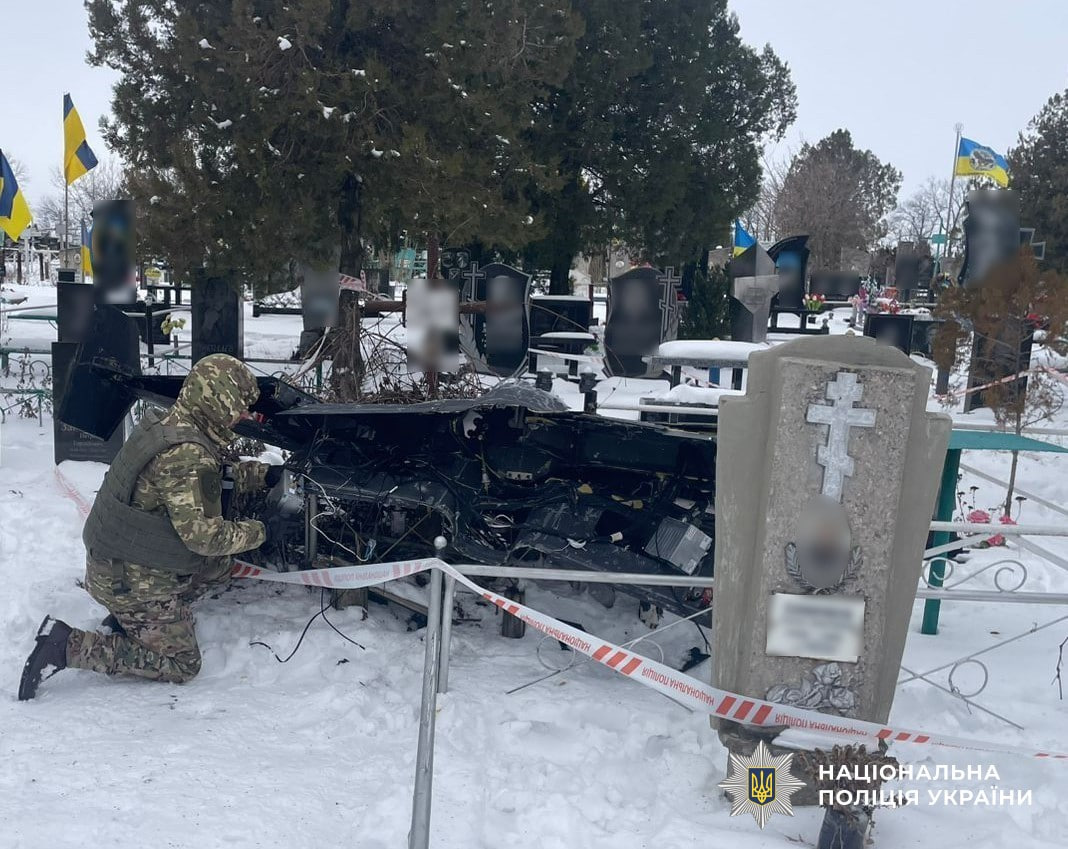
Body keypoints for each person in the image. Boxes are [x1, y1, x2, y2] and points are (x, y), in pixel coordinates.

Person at [18, 354, 280, 700]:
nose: (245, 416)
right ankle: (68, 646)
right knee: (183, 663)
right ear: (220, 403)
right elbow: (204, 538)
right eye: (240, 408)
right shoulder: (189, 454)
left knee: (219, 568)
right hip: (126, 579)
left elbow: (200, 483)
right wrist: (261, 531)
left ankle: (134, 620)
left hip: (111, 562)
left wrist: (262, 475)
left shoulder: (167, 425)